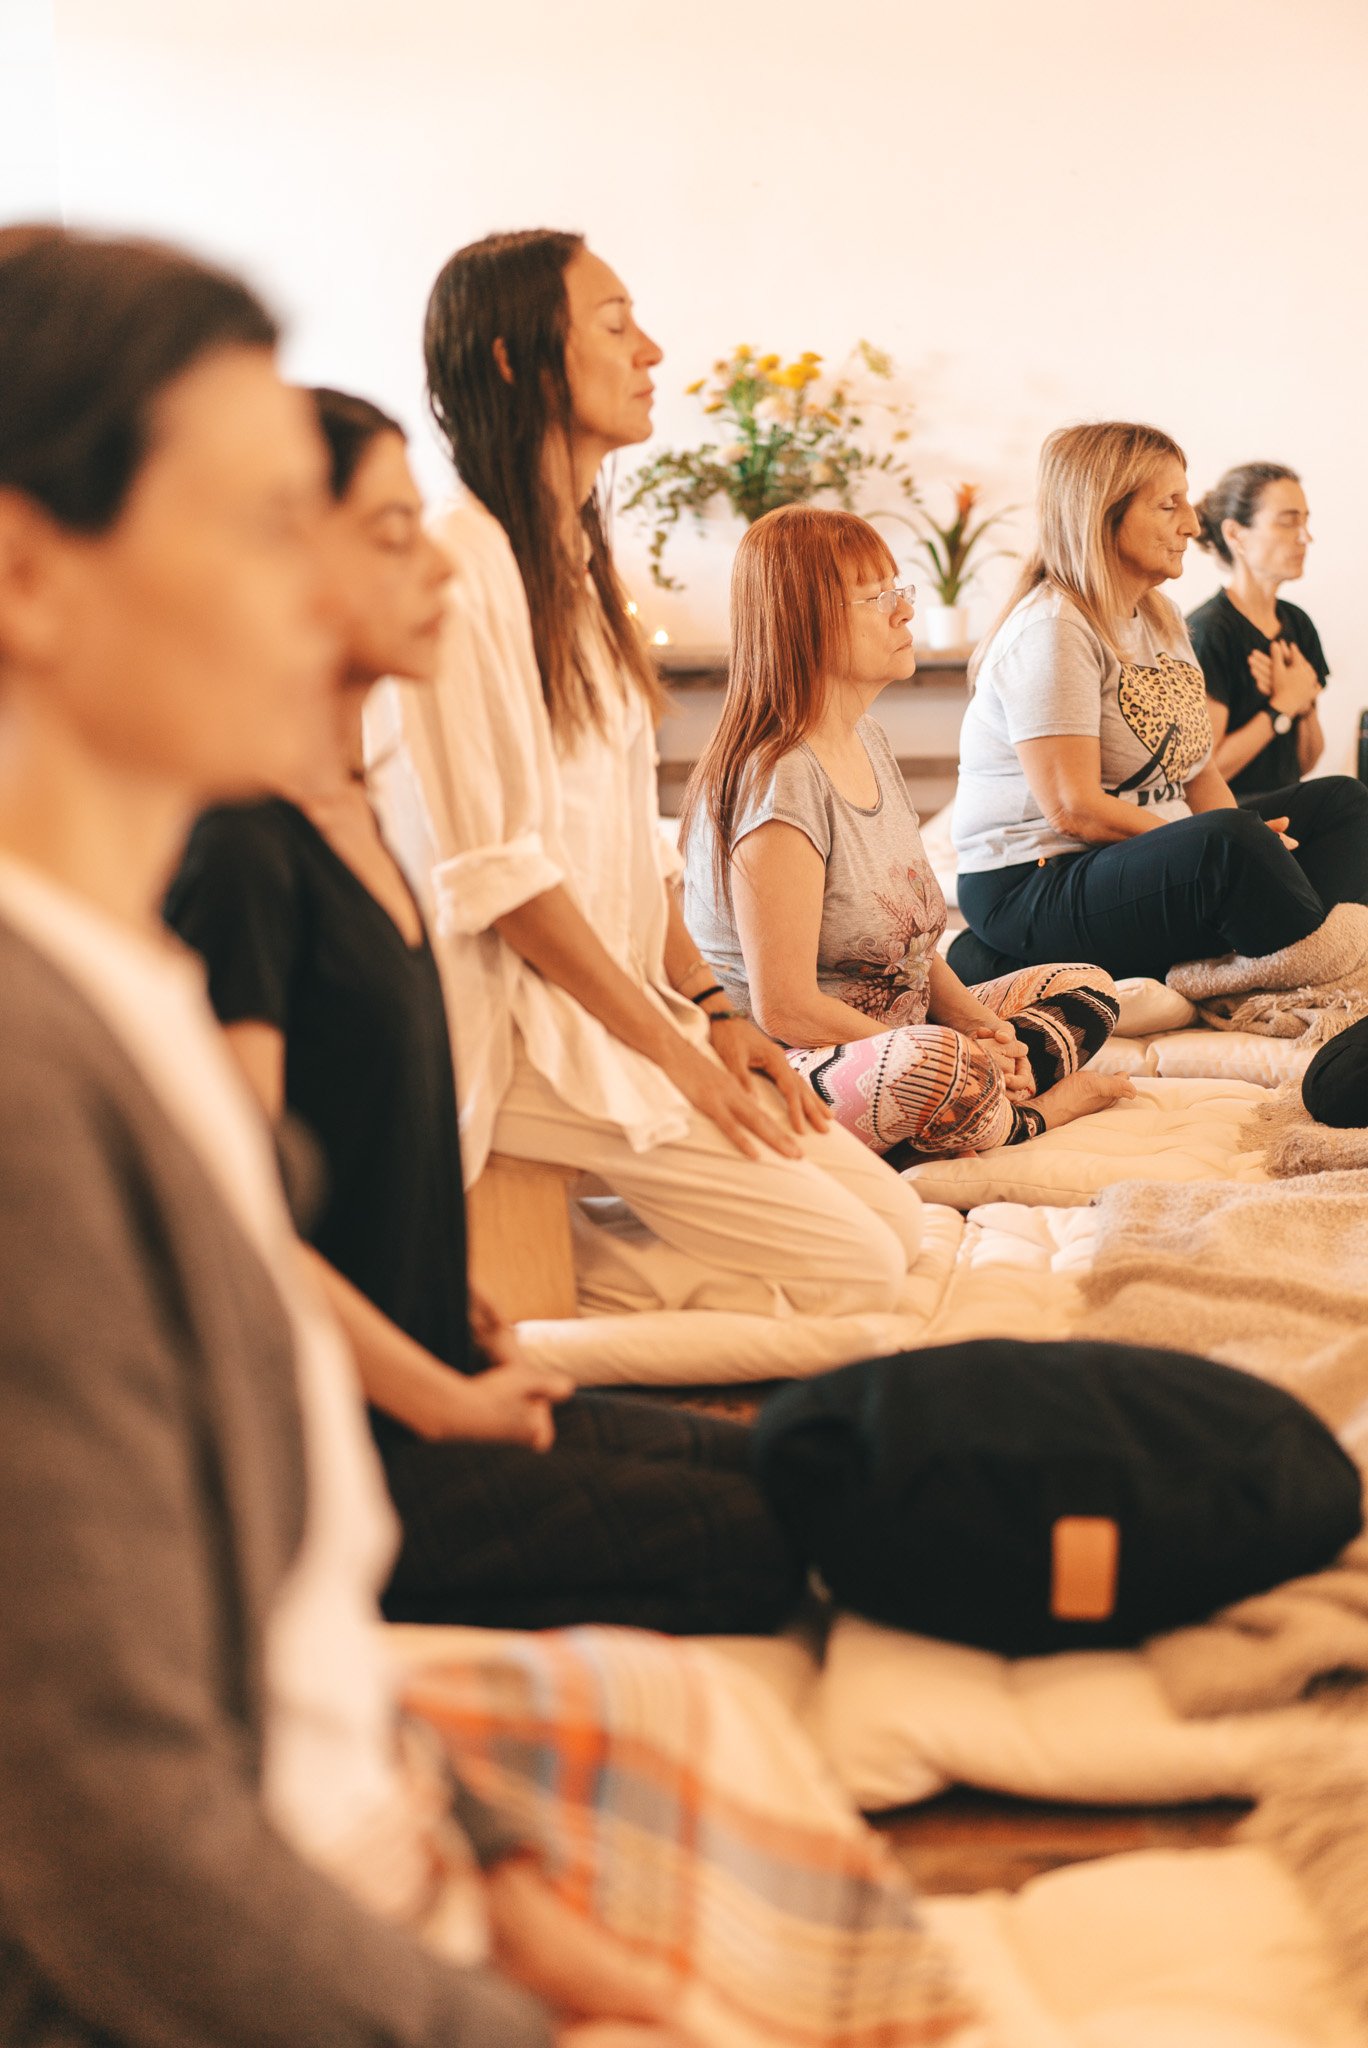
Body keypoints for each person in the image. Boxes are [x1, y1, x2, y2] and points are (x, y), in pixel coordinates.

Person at [0, 221, 691, 2048]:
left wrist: (508, 1888)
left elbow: (295, 1625)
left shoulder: (127, 984)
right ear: (27, 573)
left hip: (386, 1885)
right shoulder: (25, 1074)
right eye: (260, 530)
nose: (326, 599)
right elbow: (105, 1832)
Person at [167, 387, 804, 1635]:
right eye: (392, 534)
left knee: (793, 1458)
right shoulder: (239, 851)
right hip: (352, 1447)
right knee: (774, 1544)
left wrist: (447, 1307)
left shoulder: (355, 817)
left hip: (442, 1368)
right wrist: (439, 1398)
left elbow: (347, 1161)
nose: (442, 572)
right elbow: (234, 1218)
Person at [368, 230, 924, 1320]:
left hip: (636, 1008)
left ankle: (578, 1267)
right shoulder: (461, 564)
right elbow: (501, 878)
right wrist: (678, 1060)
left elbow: (634, 846)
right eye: (616, 326)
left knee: (899, 1228)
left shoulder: (578, 567)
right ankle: (528, 1323)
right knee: (861, 1271)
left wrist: (717, 1015)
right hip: (529, 1027)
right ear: (515, 360)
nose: (654, 351)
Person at [678, 504, 1130, 1159]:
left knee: (1087, 987)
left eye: (901, 591)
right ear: (806, 621)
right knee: (940, 1065)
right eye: (879, 597)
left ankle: (974, 1101)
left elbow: (912, 949)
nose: (905, 613)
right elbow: (785, 1010)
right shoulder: (780, 778)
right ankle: (1024, 1119)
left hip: (901, 1031)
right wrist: (957, 1048)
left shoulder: (867, 738)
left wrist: (980, 1025)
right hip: (794, 1066)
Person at [949, 421, 1368, 986]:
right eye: (1169, 506)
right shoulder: (1052, 629)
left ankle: (1280, 945)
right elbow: (1074, 808)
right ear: (1103, 514)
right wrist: (1231, 844)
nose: (1192, 525)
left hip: (1122, 864)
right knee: (1231, 842)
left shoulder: (1161, 618)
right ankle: (1293, 961)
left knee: (1344, 801)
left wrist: (1250, 843)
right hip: (1032, 881)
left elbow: (1199, 775)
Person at [1187, 462, 1327, 796]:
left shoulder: (1298, 624)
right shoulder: (1208, 632)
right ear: (1235, 534)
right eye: (1288, 522)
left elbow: (1307, 761)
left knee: (1346, 794)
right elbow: (1208, 771)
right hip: (1231, 817)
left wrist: (1303, 703)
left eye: (1305, 521)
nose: (1306, 537)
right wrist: (1282, 705)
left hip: (1286, 803)